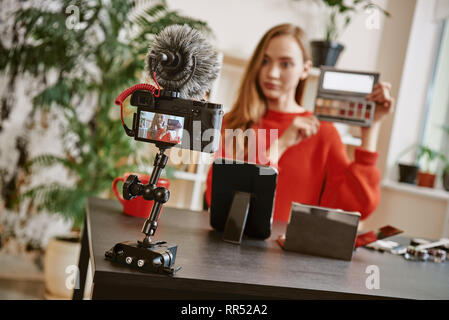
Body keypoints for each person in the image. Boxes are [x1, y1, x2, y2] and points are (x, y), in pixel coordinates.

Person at [204, 23, 394, 222]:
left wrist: (371, 130)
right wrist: (280, 146)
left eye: (285, 64)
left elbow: (355, 208)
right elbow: (220, 201)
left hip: (291, 251)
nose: (272, 73)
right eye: (265, 61)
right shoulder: (234, 123)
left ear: (305, 69)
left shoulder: (323, 132)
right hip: (235, 249)